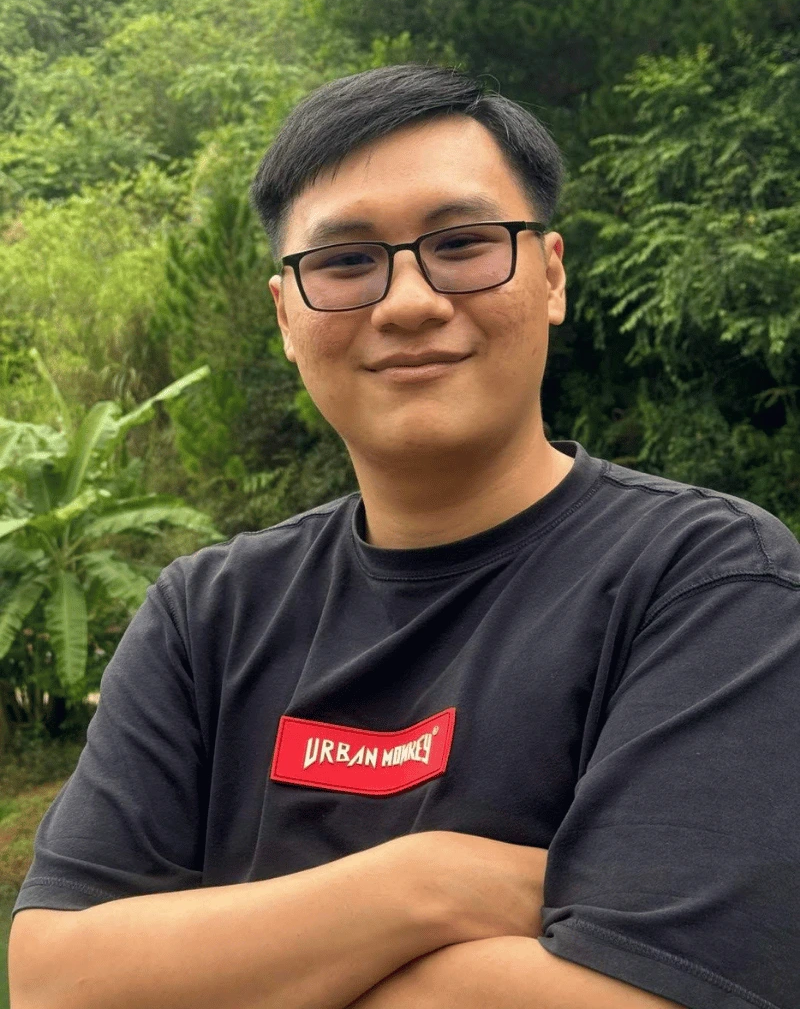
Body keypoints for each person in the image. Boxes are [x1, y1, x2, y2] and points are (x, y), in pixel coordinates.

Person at [8, 62, 800, 1009]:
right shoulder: (205, 616)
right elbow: (53, 981)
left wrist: (239, 969)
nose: (410, 301)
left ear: (550, 275)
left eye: (462, 244)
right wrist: (426, 887)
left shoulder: (710, 582)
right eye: (346, 262)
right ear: (286, 315)